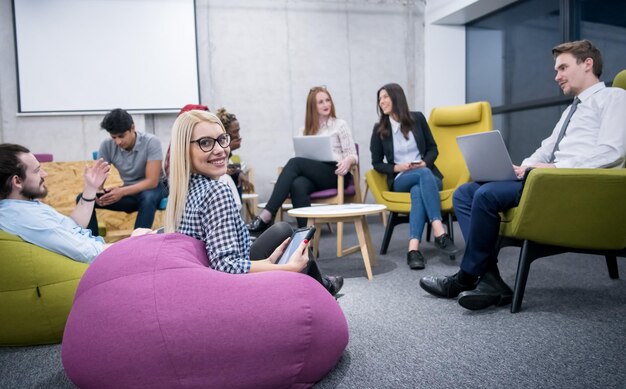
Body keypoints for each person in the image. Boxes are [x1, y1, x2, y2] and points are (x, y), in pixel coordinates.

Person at [420, 39, 626, 310]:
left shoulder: (614, 98)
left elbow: (613, 152)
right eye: (556, 70)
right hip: (548, 178)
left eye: (562, 68)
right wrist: (521, 168)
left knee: (486, 195)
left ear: (587, 64)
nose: (557, 76)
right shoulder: (570, 110)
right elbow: (547, 149)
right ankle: (490, 280)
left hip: (569, 184)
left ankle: (467, 277)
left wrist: (554, 169)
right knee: (465, 193)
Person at [164, 110, 344, 295]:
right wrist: (287, 268)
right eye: (206, 143)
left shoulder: (180, 191)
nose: (220, 149)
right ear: (185, 149)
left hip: (203, 281)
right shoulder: (216, 191)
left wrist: (266, 262)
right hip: (231, 286)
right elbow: (226, 265)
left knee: (282, 231)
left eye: (221, 139)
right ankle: (323, 288)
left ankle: (322, 283)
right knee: (285, 232)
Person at [370, 83, 460, 270]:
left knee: (419, 189)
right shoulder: (380, 129)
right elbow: (376, 163)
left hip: (426, 176)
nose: (382, 101)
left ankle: (413, 250)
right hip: (401, 178)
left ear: (396, 97)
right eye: (379, 99)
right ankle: (439, 232)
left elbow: (432, 148)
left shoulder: (417, 119)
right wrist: (397, 167)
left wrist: (424, 163)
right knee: (421, 177)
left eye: (385, 97)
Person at [248, 86, 358, 234]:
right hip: (314, 175)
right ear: (312, 106)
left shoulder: (340, 125)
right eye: (320, 102)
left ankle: (267, 214)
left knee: (295, 163)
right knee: (297, 184)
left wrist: (348, 160)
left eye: (327, 100)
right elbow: (298, 155)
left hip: (336, 173)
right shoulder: (305, 130)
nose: (326, 104)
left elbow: (352, 154)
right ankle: (306, 241)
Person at [0, 143, 110, 263]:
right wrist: (130, 243)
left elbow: (72, 226)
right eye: (37, 171)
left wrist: (91, 188)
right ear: (17, 181)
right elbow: (89, 253)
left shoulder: (19, 208)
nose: (44, 174)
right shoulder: (24, 217)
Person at [82, 108, 167, 236]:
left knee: (148, 197)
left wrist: (121, 191)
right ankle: (92, 243)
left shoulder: (151, 142)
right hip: (129, 191)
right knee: (85, 198)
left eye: (121, 136)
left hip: (155, 189)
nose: (118, 142)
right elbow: (98, 178)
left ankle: (138, 244)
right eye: (113, 137)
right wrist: (97, 191)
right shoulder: (107, 145)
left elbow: (152, 182)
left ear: (132, 128)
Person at [215, 107, 255, 198]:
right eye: (234, 132)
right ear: (224, 133)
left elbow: (230, 166)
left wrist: (239, 173)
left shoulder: (228, 150)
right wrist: (229, 148)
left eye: (238, 130)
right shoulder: (216, 146)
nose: (238, 135)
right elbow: (220, 169)